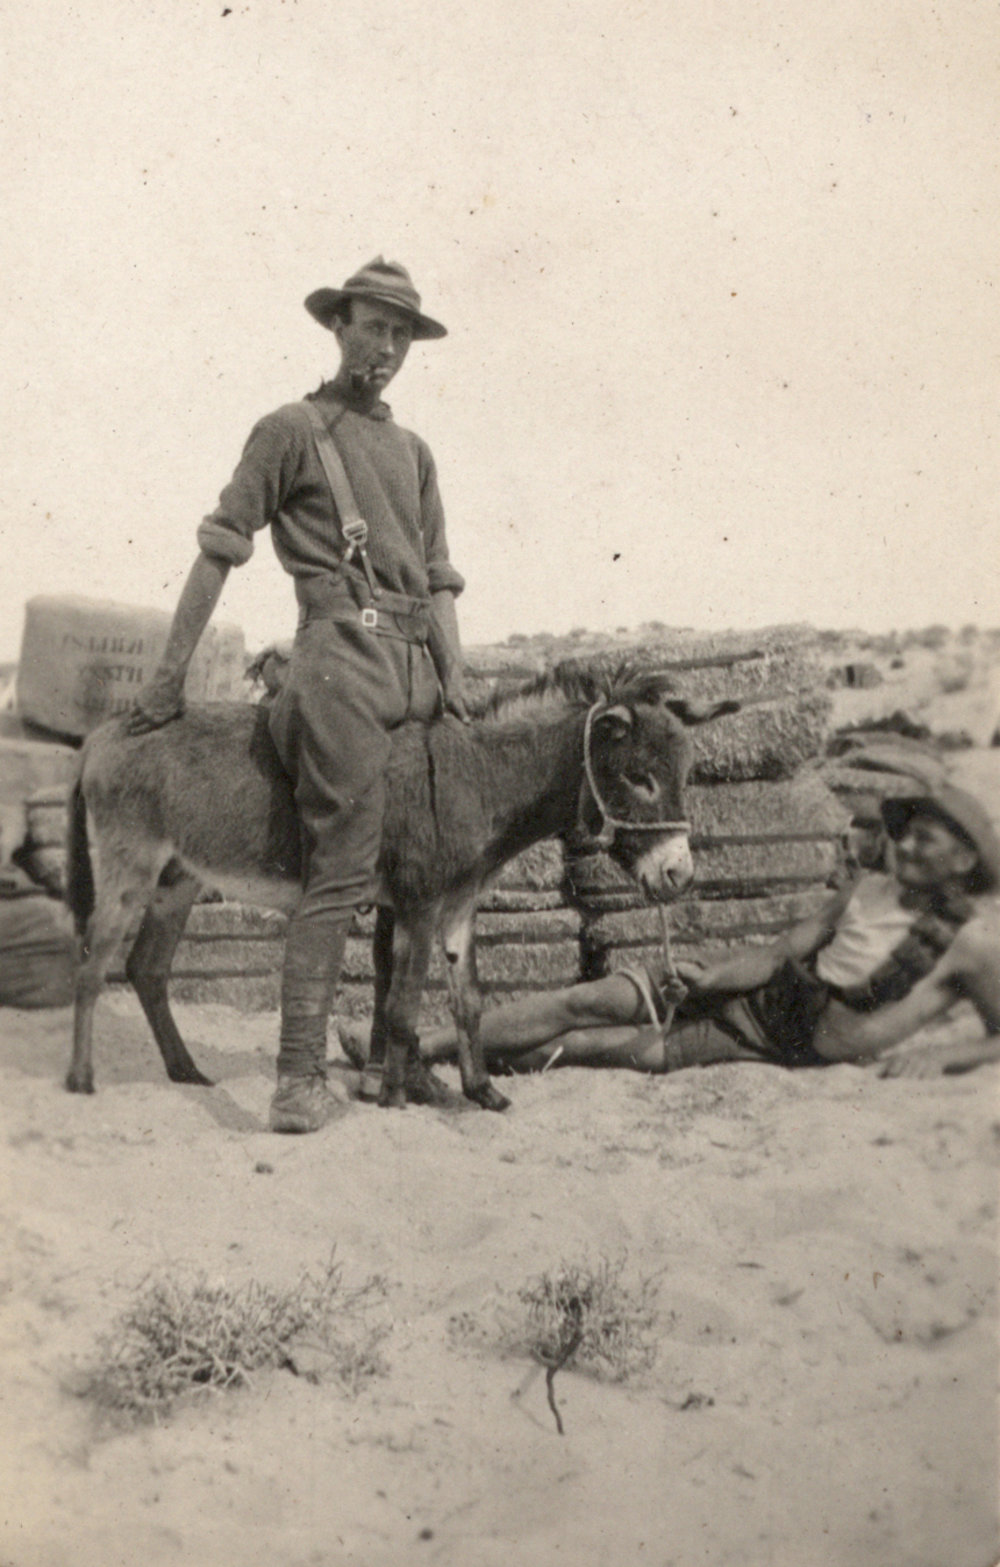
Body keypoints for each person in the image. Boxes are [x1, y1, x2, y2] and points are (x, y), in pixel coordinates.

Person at [128, 258, 469, 1133]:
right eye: (371, 326)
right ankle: (294, 1082)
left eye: (401, 333)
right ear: (337, 326)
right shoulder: (289, 431)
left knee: (419, 867)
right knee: (344, 866)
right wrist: (168, 679)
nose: (385, 347)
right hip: (337, 667)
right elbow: (219, 548)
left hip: (415, 672)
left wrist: (456, 684)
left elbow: (435, 583)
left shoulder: (416, 454)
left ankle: (398, 1064)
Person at [408, 783, 1000, 1078]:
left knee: (594, 1049)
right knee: (590, 998)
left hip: (774, 1047)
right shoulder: (865, 890)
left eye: (929, 839)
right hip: (761, 997)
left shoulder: (972, 941)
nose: (909, 846)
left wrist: (943, 1058)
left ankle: (444, 1053)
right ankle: (423, 1042)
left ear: (966, 861)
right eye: (908, 833)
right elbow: (777, 953)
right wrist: (713, 976)